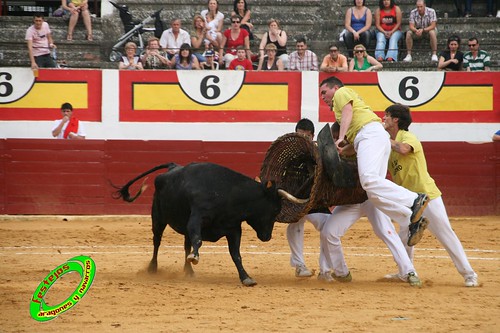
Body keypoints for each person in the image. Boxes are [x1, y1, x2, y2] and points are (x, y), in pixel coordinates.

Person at [318, 76, 430, 253]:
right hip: (371, 137)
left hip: (370, 135)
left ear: (335, 88)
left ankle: (415, 199)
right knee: (373, 194)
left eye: (324, 92)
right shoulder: (351, 112)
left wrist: (340, 137)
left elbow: (348, 111)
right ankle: (410, 220)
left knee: (368, 180)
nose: (322, 97)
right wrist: (343, 149)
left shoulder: (341, 93)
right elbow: (355, 144)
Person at [383, 103, 479, 287]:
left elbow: (403, 149)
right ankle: (406, 271)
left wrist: (382, 139)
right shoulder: (390, 143)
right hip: (408, 200)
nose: (383, 119)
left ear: (395, 119)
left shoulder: (408, 137)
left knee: (445, 234)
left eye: (386, 116)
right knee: (404, 236)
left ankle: (469, 273)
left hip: (427, 197)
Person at [286, 118, 331, 279]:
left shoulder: (320, 153)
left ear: (312, 136)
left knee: (329, 228)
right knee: (294, 225)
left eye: (306, 136)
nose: (303, 139)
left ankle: (325, 270)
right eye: (300, 135)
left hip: (316, 202)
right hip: (295, 200)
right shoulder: (288, 153)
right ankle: (299, 265)